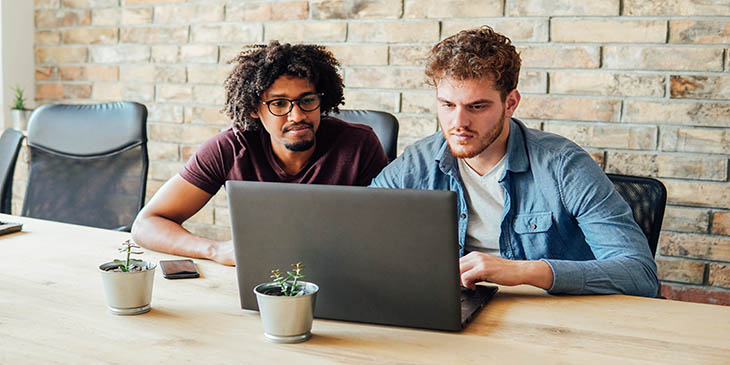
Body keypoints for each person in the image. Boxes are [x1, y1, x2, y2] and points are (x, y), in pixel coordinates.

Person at [370, 27, 658, 297]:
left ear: (510, 103)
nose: (458, 123)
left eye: (477, 106)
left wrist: (523, 271)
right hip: (458, 306)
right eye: (447, 105)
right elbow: (361, 231)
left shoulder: (564, 165)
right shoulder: (419, 161)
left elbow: (639, 273)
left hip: (553, 319)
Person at [132, 41, 389, 266]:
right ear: (255, 109)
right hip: (261, 279)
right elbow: (147, 224)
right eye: (279, 104)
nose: (298, 116)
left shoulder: (359, 144)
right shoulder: (230, 149)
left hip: (342, 273)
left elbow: (387, 231)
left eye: (307, 100)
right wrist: (215, 250)